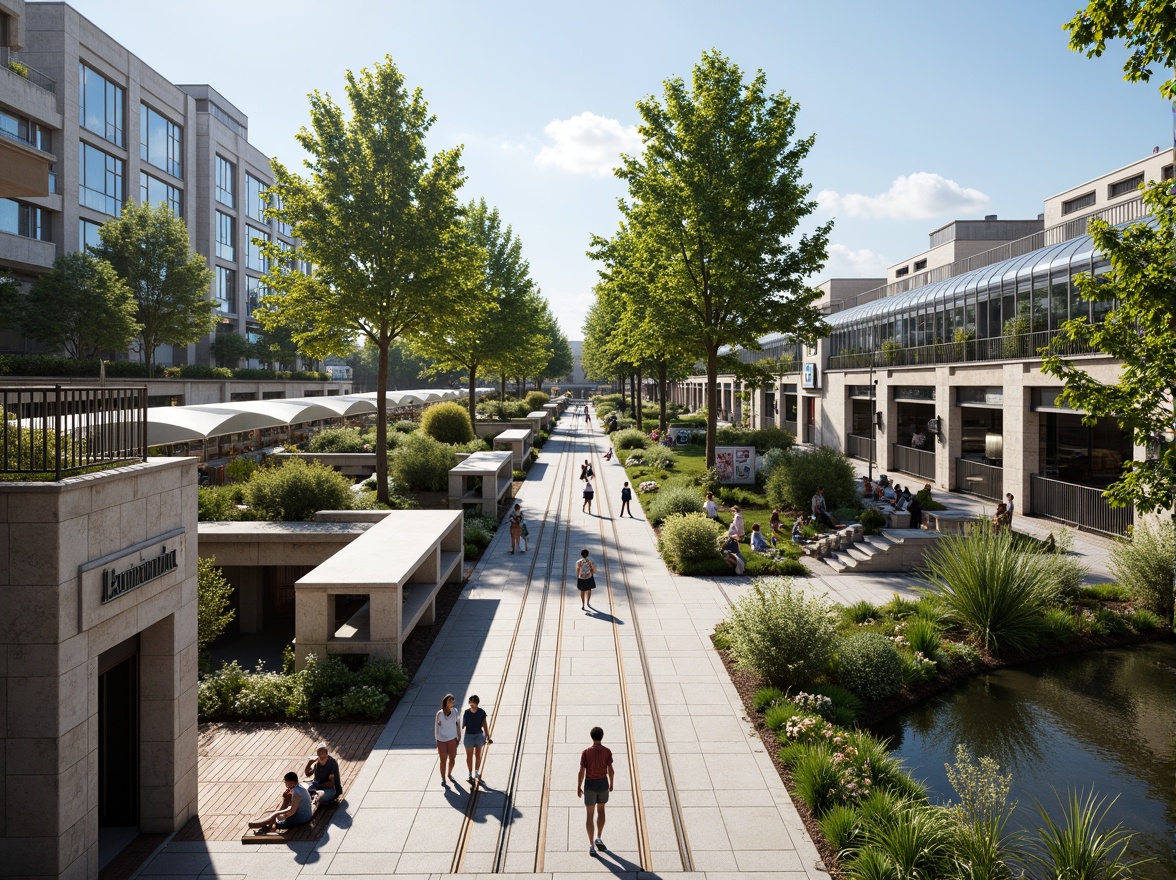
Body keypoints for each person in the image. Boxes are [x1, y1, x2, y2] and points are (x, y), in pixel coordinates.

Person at [578, 726, 615, 857]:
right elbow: (610, 769)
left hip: (590, 785)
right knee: (601, 810)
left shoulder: (586, 752)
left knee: (589, 815)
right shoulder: (607, 751)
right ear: (602, 736)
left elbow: (582, 771)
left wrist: (579, 786)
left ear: (591, 736)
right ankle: (598, 837)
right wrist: (611, 783)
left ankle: (591, 845)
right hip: (603, 784)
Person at [462, 695, 492, 783]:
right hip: (469, 735)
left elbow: (485, 725)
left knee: (478, 755)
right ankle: (470, 774)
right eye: (470, 703)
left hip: (479, 735)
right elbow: (463, 725)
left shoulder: (481, 712)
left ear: (477, 703)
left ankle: (476, 772)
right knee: (469, 756)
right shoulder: (467, 713)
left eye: (473, 703)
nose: (472, 705)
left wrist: (487, 736)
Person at [303, 742, 342, 808]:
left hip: (330, 790)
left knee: (316, 796)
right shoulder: (317, 764)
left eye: (322, 751)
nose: (321, 753)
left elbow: (331, 783)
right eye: (319, 751)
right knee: (304, 789)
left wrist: (318, 785)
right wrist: (309, 763)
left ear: (326, 752)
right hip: (317, 786)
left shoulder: (331, 763)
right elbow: (308, 774)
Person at [435, 695, 460, 786]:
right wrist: (437, 738)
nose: (453, 703)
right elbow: (437, 727)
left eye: (453, 701)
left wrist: (459, 737)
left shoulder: (455, 712)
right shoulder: (440, 714)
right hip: (441, 740)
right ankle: (443, 778)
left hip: (452, 739)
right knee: (443, 759)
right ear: (446, 702)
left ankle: (449, 773)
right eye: (451, 702)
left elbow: (457, 723)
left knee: (452, 759)